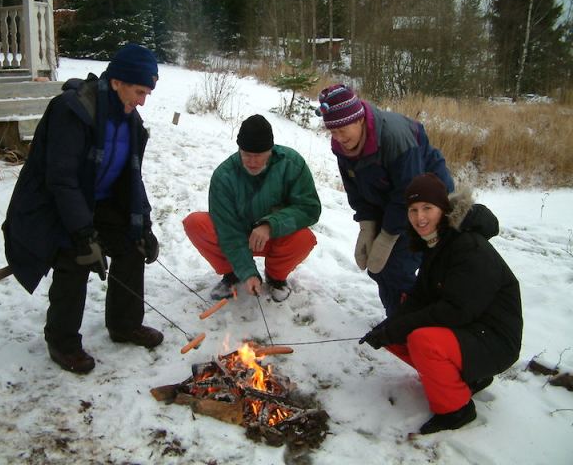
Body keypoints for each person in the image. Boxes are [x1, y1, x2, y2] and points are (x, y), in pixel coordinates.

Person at [2, 43, 163, 374]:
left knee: (132, 244)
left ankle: (124, 324)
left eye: (147, 93)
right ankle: (62, 341)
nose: (142, 100)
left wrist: (143, 225)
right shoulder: (73, 109)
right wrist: (84, 233)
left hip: (95, 202)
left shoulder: (130, 122)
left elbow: (130, 180)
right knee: (77, 253)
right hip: (51, 205)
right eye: (139, 90)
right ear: (117, 81)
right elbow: (61, 180)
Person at [359, 173, 523, 434]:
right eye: (413, 210)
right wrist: (388, 327)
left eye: (427, 208)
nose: (419, 217)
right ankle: (468, 377)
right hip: (471, 330)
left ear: (443, 209)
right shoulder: (435, 244)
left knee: (422, 340)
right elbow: (420, 297)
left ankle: (456, 409)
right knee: (395, 330)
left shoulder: (468, 246)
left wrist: (400, 326)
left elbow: (455, 311)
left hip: (494, 339)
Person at [315, 84, 454, 317]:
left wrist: (388, 236)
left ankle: (418, 323)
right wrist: (367, 225)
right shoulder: (342, 147)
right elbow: (355, 188)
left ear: (358, 119)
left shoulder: (394, 137)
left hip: (425, 203)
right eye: (333, 132)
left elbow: (409, 192)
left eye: (342, 129)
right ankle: (396, 318)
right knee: (377, 269)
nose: (339, 137)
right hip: (390, 202)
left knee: (397, 267)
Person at [183, 114, 321, 303]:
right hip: (237, 237)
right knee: (196, 223)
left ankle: (275, 278)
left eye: (258, 155)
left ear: (270, 150)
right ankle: (232, 274)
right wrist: (248, 272)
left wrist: (271, 225)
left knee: (304, 238)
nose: (252, 161)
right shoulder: (224, 176)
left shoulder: (291, 164)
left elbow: (309, 208)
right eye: (246, 154)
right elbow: (228, 231)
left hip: (274, 238)